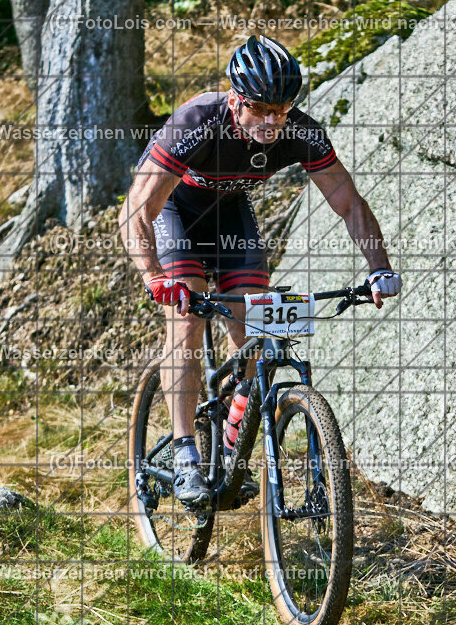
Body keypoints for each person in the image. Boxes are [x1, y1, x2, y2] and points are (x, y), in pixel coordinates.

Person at [118, 35, 402, 507]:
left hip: (230, 218)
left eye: (282, 109)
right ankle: (186, 451)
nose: (273, 121)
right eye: (261, 109)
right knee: (187, 319)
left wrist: (379, 268)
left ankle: (231, 443)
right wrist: (154, 278)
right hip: (175, 215)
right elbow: (137, 212)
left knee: (253, 330)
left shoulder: (300, 131)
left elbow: (348, 203)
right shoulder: (198, 121)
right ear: (235, 99)